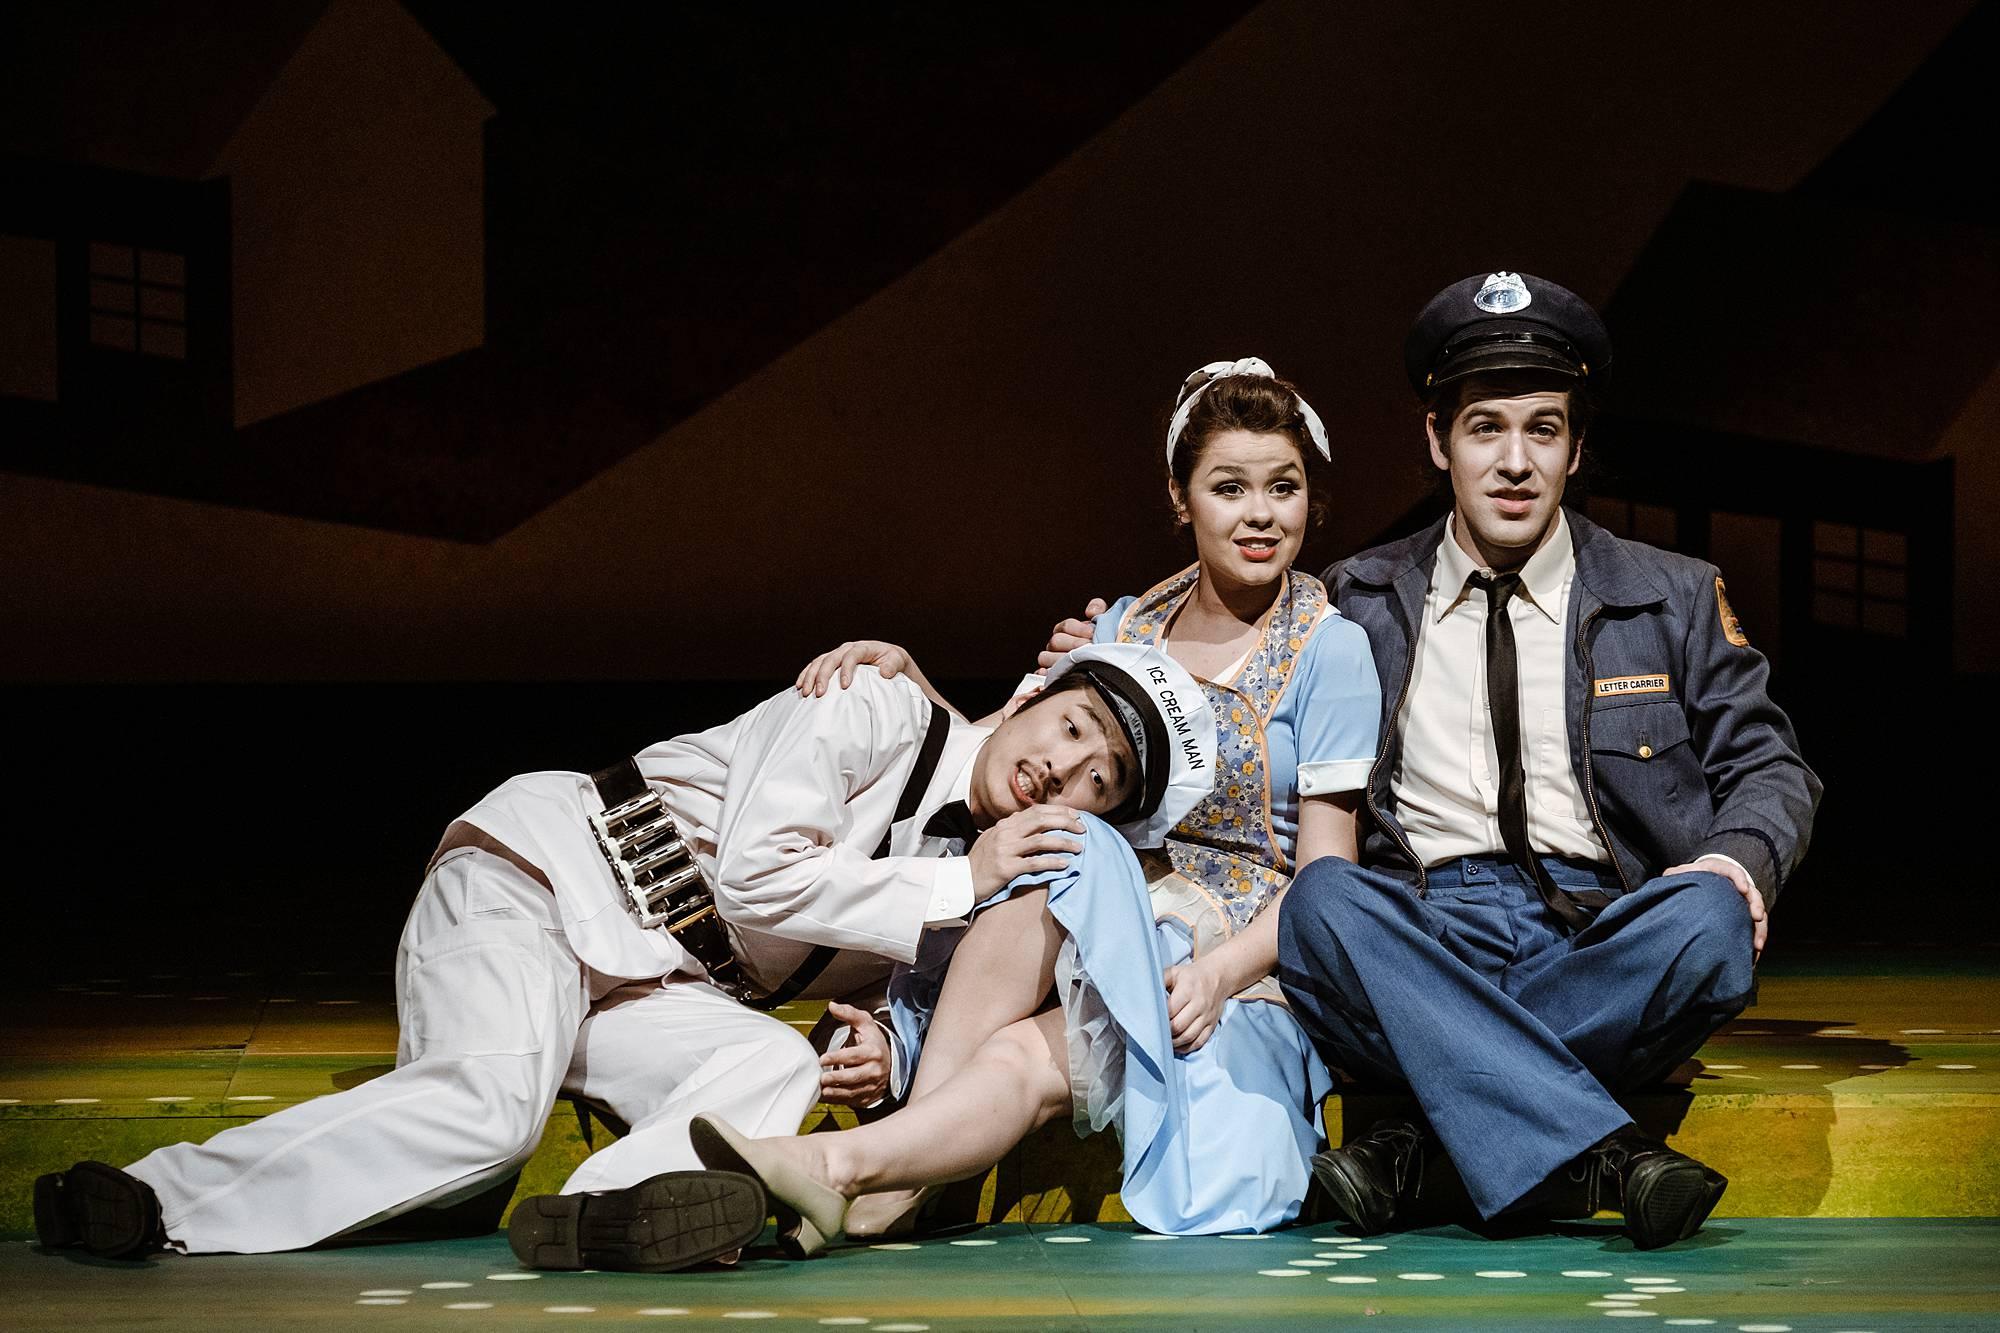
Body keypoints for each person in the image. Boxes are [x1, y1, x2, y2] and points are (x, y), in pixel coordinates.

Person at [32, 642, 1208, 1272]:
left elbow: (844, 979)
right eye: (1069, 727)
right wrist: (960, 880)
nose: (1064, 768)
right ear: (1030, 695)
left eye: (1100, 779)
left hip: (656, 992)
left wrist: (869, 1044)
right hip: (539, 880)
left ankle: (602, 1219)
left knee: (771, 1077)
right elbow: (754, 871)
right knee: (490, 1111)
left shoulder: (971, 886)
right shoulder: (877, 708)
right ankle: (153, 1199)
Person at [695, 358, 1383, 1249]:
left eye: (1282, 487)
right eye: (1229, 487)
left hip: (1243, 961)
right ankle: (873, 1183)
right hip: (1105, 911)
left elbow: (1328, 871)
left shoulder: (1332, 650)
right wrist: (908, 685)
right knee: (1051, 847)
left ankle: (862, 1179)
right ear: (1182, 499)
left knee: (1022, 1051)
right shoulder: (1122, 628)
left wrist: (1219, 975)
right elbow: (1012, 759)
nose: (1260, 513)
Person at [1271, 272, 1817, 1249]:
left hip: (1603, 933)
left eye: (1542, 428)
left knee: (1707, 918)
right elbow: (1226, 675)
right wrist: (1106, 648)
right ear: (1437, 442)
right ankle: (1607, 1153)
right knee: (1320, 903)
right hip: (1421, 933)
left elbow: (1770, 768)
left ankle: (1419, 1144)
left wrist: (1736, 858)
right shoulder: (1352, 597)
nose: (1514, 460)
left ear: (1573, 448)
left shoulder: (1672, 594)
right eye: (1485, 427)